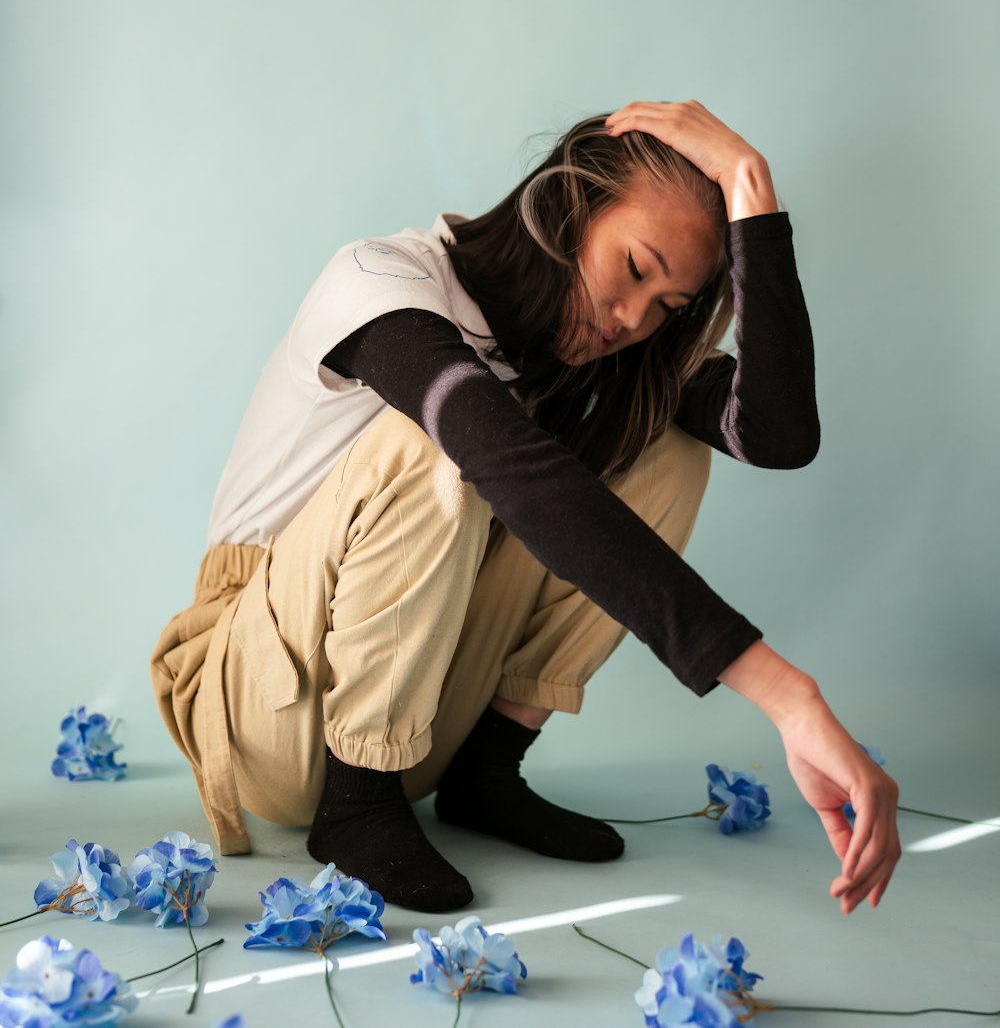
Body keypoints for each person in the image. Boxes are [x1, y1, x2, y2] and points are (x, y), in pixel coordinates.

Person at [151, 100, 901, 917]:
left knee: (669, 446)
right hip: (257, 702)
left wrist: (755, 194)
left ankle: (485, 772)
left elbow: (777, 435)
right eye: (635, 269)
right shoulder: (381, 283)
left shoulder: (595, 347)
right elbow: (513, 468)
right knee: (443, 440)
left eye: (668, 306)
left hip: (426, 709)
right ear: (567, 204)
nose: (632, 320)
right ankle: (356, 804)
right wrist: (787, 696)